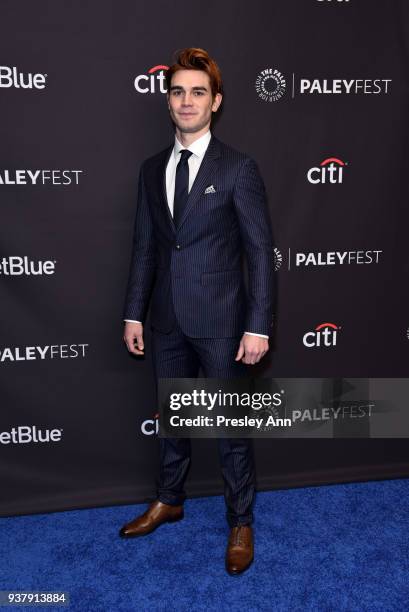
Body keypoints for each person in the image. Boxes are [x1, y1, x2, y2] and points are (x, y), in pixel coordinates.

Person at [119, 47, 274, 576]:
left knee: (229, 427)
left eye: (198, 92)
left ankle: (241, 520)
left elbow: (259, 253)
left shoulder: (239, 168)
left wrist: (258, 324)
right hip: (164, 321)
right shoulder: (149, 170)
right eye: (178, 91)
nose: (187, 101)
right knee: (173, 421)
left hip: (222, 322)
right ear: (168, 102)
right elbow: (144, 246)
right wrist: (133, 313)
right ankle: (170, 498)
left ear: (216, 102)